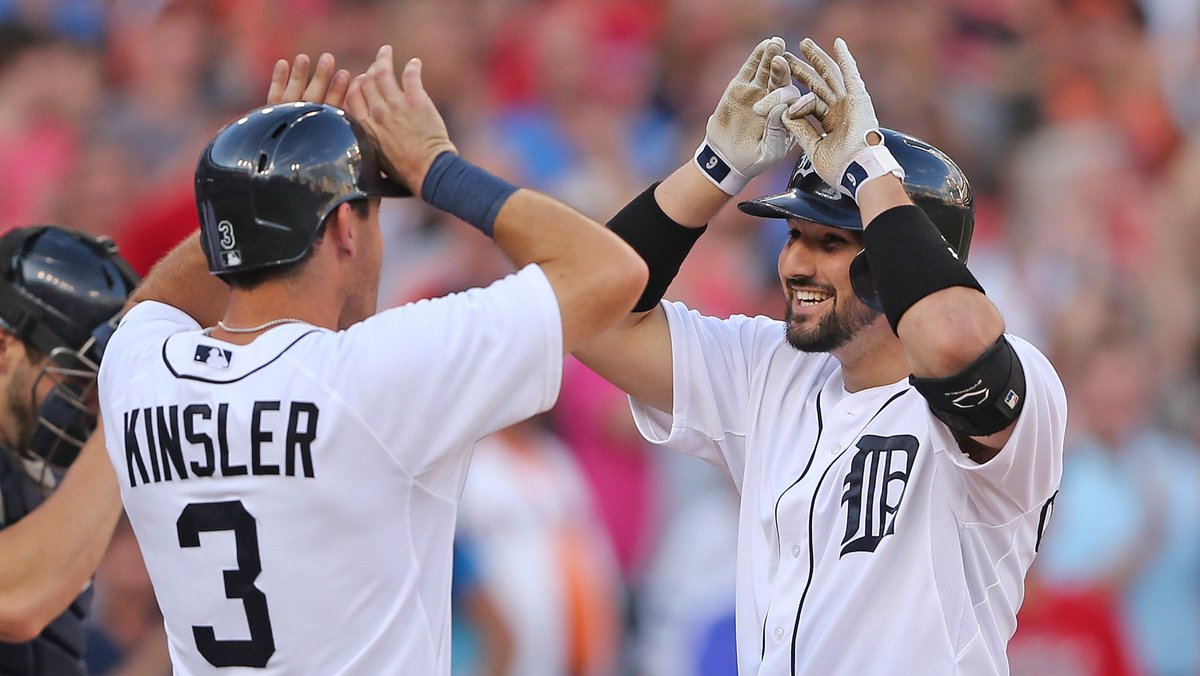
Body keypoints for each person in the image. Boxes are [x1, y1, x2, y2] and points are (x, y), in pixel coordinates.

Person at [96, 46, 646, 674]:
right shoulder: (377, 374)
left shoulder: (140, 374)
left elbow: (151, 305)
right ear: (346, 229)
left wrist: (258, 192)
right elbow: (612, 270)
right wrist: (437, 168)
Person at [575, 37, 1067, 673]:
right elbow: (589, 312)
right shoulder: (770, 368)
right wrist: (712, 169)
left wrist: (870, 173)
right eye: (794, 236)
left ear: (903, 255)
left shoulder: (1022, 380)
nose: (794, 264)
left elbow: (949, 338)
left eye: (830, 242)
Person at [0, 225, 139, 675]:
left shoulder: (37, 475)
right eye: (78, 381)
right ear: (4, 346)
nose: (91, 408)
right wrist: (125, 414)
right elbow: (15, 600)